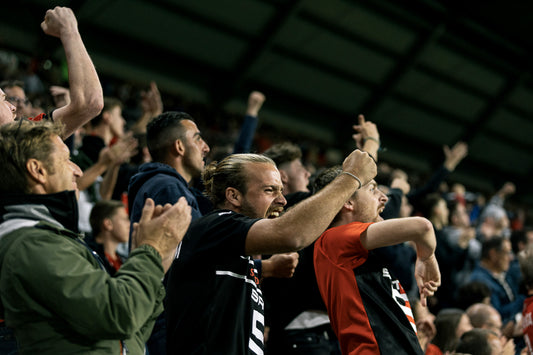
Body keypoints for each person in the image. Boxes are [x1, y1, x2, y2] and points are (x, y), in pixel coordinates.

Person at [0, 119, 191, 354]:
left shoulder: (50, 238)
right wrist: (149, 249)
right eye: (66, 159)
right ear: (37, 170)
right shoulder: (31, 245)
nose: (77, 170)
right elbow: (119, 314)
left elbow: (127, 337)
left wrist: (159, 257)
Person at [165, 150, 377, 354]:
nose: (282, 200)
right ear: (234, 196)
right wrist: (351, 177)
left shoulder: (228, 246)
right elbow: (291, 234)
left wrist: (266, 268)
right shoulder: (216, 226)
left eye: (281, 191)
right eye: (270, 190)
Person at [310, 165, 440, 355]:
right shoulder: (332, 241)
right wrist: (427, 256)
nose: (384, 198)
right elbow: (423, 227)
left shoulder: (358, 252)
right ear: (348, 201)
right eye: (372, 189)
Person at [0, 7, 103, 138]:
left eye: (24, 100)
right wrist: (69, 30)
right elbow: (90, 103)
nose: (15, 107)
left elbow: (90, 104)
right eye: (6, 100)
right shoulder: (19, 139)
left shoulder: (19, 138)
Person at [469, 237, 525, 324]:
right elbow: (496, 313)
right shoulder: (480, 281)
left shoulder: (503, 273)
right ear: (493, 254)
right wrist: (523, 300)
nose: (511, 258)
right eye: (507, 253)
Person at [88, 200, 130, 276]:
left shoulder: (122, 259)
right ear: (108, 224)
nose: (129, 225)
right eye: (125, 219)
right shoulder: (90, 258)